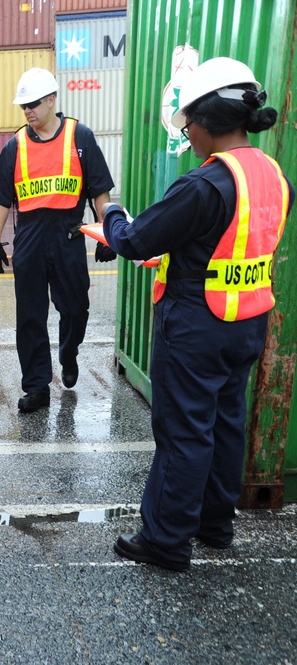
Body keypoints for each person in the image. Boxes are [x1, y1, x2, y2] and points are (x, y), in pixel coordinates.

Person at [102, 57, 294, 571]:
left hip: (197, 324)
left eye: (187, 124)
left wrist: (112, 215)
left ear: (207, 121)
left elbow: (137, 239)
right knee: (227, 422)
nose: (187, 135)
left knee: (184, 432)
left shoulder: (203, 185)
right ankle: (215, 526)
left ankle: (166, 541)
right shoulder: (274, 176)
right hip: (248, 321)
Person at [0, 68, 115, 412]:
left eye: (34, 104)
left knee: (76, 308)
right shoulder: (15, 146)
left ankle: (68, 352)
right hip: (29, 237)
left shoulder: (80, 137)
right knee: (29, 316)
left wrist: (107, 234)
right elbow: (1, 198)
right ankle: (37, 386)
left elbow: (99, 192)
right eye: (23, 105)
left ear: (52, 100)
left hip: (68, 236)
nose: (28, 111)